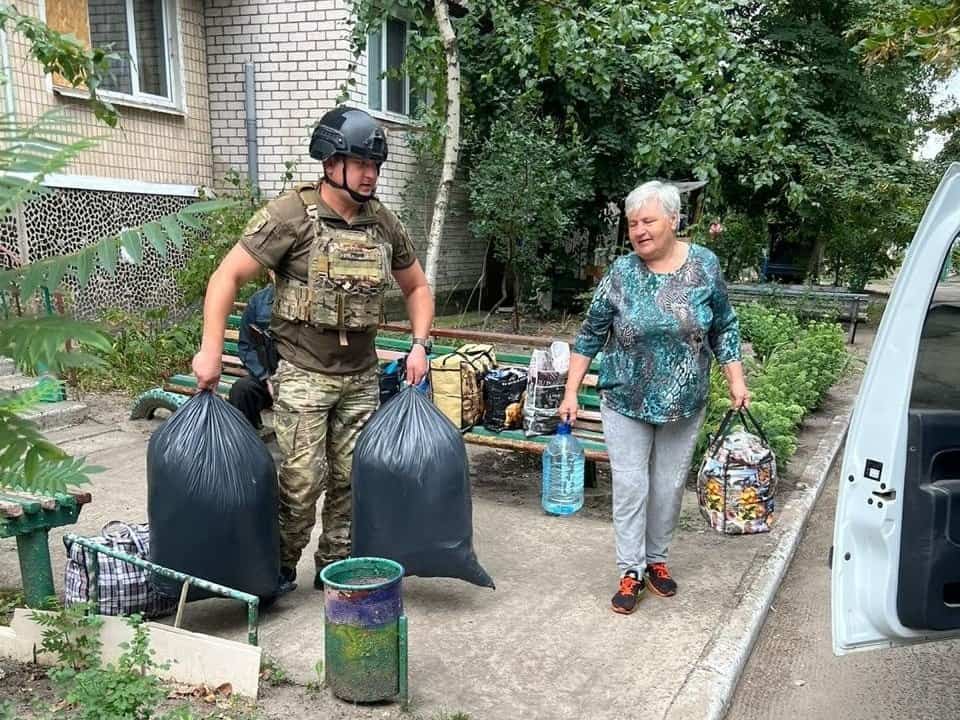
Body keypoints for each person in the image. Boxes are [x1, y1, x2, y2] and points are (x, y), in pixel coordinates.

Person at [191, 106, 435, 592]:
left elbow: (417, 288)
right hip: (304, 372)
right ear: (330, 163)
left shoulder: (383, 223)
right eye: (361, 163)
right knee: (301, 484)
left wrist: (419, 344)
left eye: (376, 166)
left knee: (351, 483)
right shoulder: (289, 217)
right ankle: (278, 567)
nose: (371, 175)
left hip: (361, 377)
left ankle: (334, 569)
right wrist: (210, 349)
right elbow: (226, 276)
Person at [558, 180, 749, 615]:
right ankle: (631, 570)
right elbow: (590, 334)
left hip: (684, 402)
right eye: (632, 224)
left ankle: (656, 560)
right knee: (631, 486)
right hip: (625, 397)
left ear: (673, 220)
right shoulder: (622, 273)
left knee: (667, 486)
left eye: (648, 221)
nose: (639, 230)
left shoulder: (704, 265)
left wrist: (736, 380)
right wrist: (571, 391)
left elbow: (725, 326)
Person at [228, 282, 276, 429]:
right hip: (268, 375)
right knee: (241, 390)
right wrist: (265, 377)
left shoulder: (309, 298)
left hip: (302, 377)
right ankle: (245, 442)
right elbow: (246, 346)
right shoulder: (258, 301)